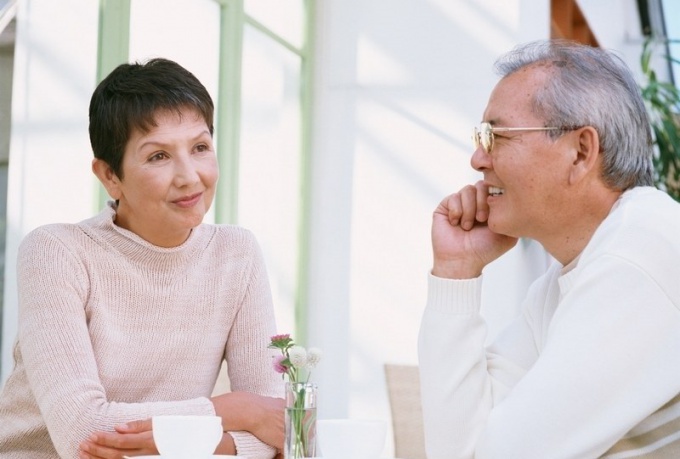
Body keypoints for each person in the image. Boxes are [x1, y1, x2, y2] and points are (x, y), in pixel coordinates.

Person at [0, 58, 285, 458]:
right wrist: (232, 410)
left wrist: (228, 429)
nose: (190, 176)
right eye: (158, 157)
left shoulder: (236, 254)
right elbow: (84, 433)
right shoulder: (57, 252)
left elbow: (277, 430)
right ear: (109, 176)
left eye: (200, 147)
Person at [418, 39, 680, 458]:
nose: (477, 159)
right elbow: (457, 451)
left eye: (495, 135)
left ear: (580, 152)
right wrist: (456, 269)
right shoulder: (563, 279)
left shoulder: (636, 257)